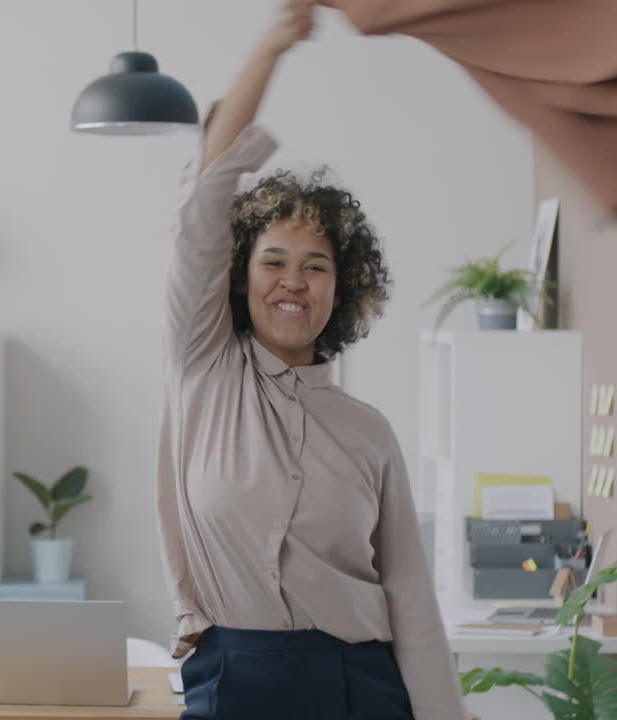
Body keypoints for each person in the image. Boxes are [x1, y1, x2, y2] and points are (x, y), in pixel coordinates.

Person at [155, 1, 467, 718]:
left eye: (316, 266)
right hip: (232, 679)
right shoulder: (204, 371)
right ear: (238, 276)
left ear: (341, 288)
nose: (293, 280)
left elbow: (410, 600)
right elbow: (205, 199)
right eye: (274, 260)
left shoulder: (369, 432)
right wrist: (270, 46)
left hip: (361, 687)